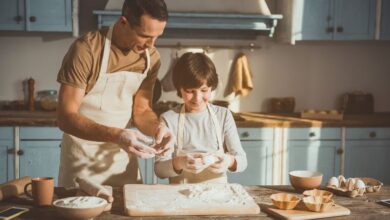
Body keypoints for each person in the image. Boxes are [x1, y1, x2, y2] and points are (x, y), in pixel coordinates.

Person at [56, 0, 173, 187]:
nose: (151, 45)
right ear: (123, 22)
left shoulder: (151, 59)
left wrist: (157, 128)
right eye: (145, 36)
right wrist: (117, 135)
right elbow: (66, 117)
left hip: (123, 163)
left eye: (157, 36)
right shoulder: (87, 50)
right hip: (82, 163)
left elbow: (142, 111)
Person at [154, 52, 247, 184]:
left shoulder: (223, 115)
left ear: (211, 87)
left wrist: (228, 161)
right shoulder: (168, 119)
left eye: (204, 90)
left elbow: (242, 161)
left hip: (218, 196)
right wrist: (179, 163)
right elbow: (159, 170)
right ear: (180, 88)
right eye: (190, 91)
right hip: (180, 197)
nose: (197, 98)